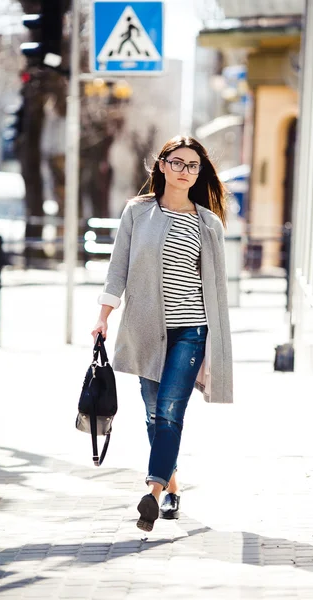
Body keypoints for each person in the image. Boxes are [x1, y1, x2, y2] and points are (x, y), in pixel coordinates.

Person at [92, 135, 233, 532]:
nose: (185, 171)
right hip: (145, 328)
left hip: (191, 332)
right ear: (162, 165)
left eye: (193, 166)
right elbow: (118, 267)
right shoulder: (137, 213)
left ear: (199, 173)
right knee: (155, 415)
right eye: (178, 162)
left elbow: (216, 289)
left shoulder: (209, 223)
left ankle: (152, 493)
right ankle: (173, 485)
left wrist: (217, 346)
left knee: (171, 412)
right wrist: (103, 316)